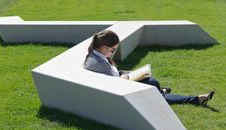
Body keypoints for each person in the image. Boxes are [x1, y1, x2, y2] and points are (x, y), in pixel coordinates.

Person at [83, 30, 214, 105]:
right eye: (112, 50)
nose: (113, 53)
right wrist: (126, 77)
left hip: (121, 81)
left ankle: (188, 98)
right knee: (153, 84)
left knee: (151, 82)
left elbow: (113, 73)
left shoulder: (98, 56)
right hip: (118, 91)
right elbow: (113, 84)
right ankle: (195, 99)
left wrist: (131, 73)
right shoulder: (97, 63)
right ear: (103, 47)